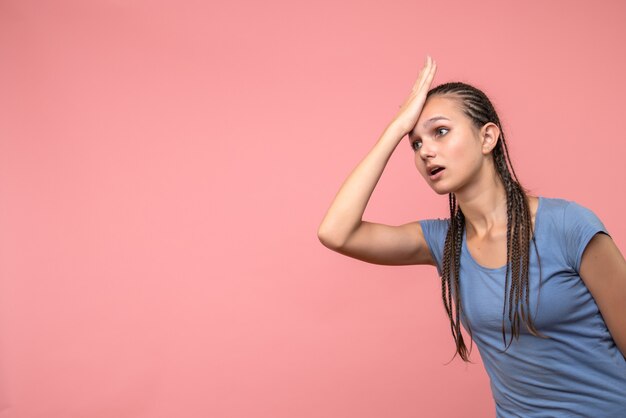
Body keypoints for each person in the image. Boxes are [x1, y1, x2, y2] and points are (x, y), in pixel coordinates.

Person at [317, 56, 626, 417]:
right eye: (415, 144)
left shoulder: (569, 226)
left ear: (487, 137)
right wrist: (396, 128)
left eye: (441, 132)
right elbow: (335, 232)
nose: (426, 151)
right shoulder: (442, 242)